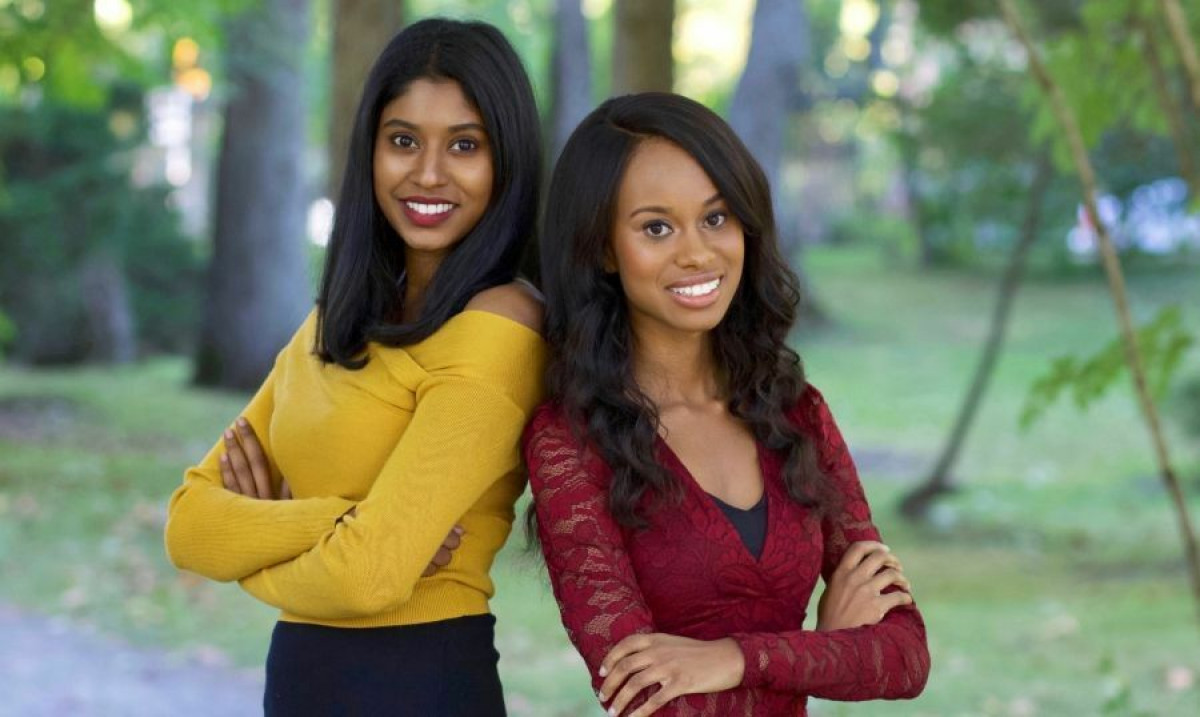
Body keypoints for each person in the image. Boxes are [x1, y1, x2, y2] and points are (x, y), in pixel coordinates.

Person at [164, 18, 545, 715]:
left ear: (507, 161)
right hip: (302, 682)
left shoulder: (504, 327)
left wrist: (252, 551)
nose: (427, 173)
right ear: (369, 148)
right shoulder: (335, 317)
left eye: (465, 145)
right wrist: (338, 521)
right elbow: (189, 525)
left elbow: (369, 575)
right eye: (403, 140)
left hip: (421, 681)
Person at [523, 92, 930, 716]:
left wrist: (735, 658)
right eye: (656, 227)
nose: (697, 252)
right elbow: (646, 697)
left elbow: (903, 657)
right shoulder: (570, 444)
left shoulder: (794, 413)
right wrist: (819, 649)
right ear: (603, 248)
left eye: (715, 218)